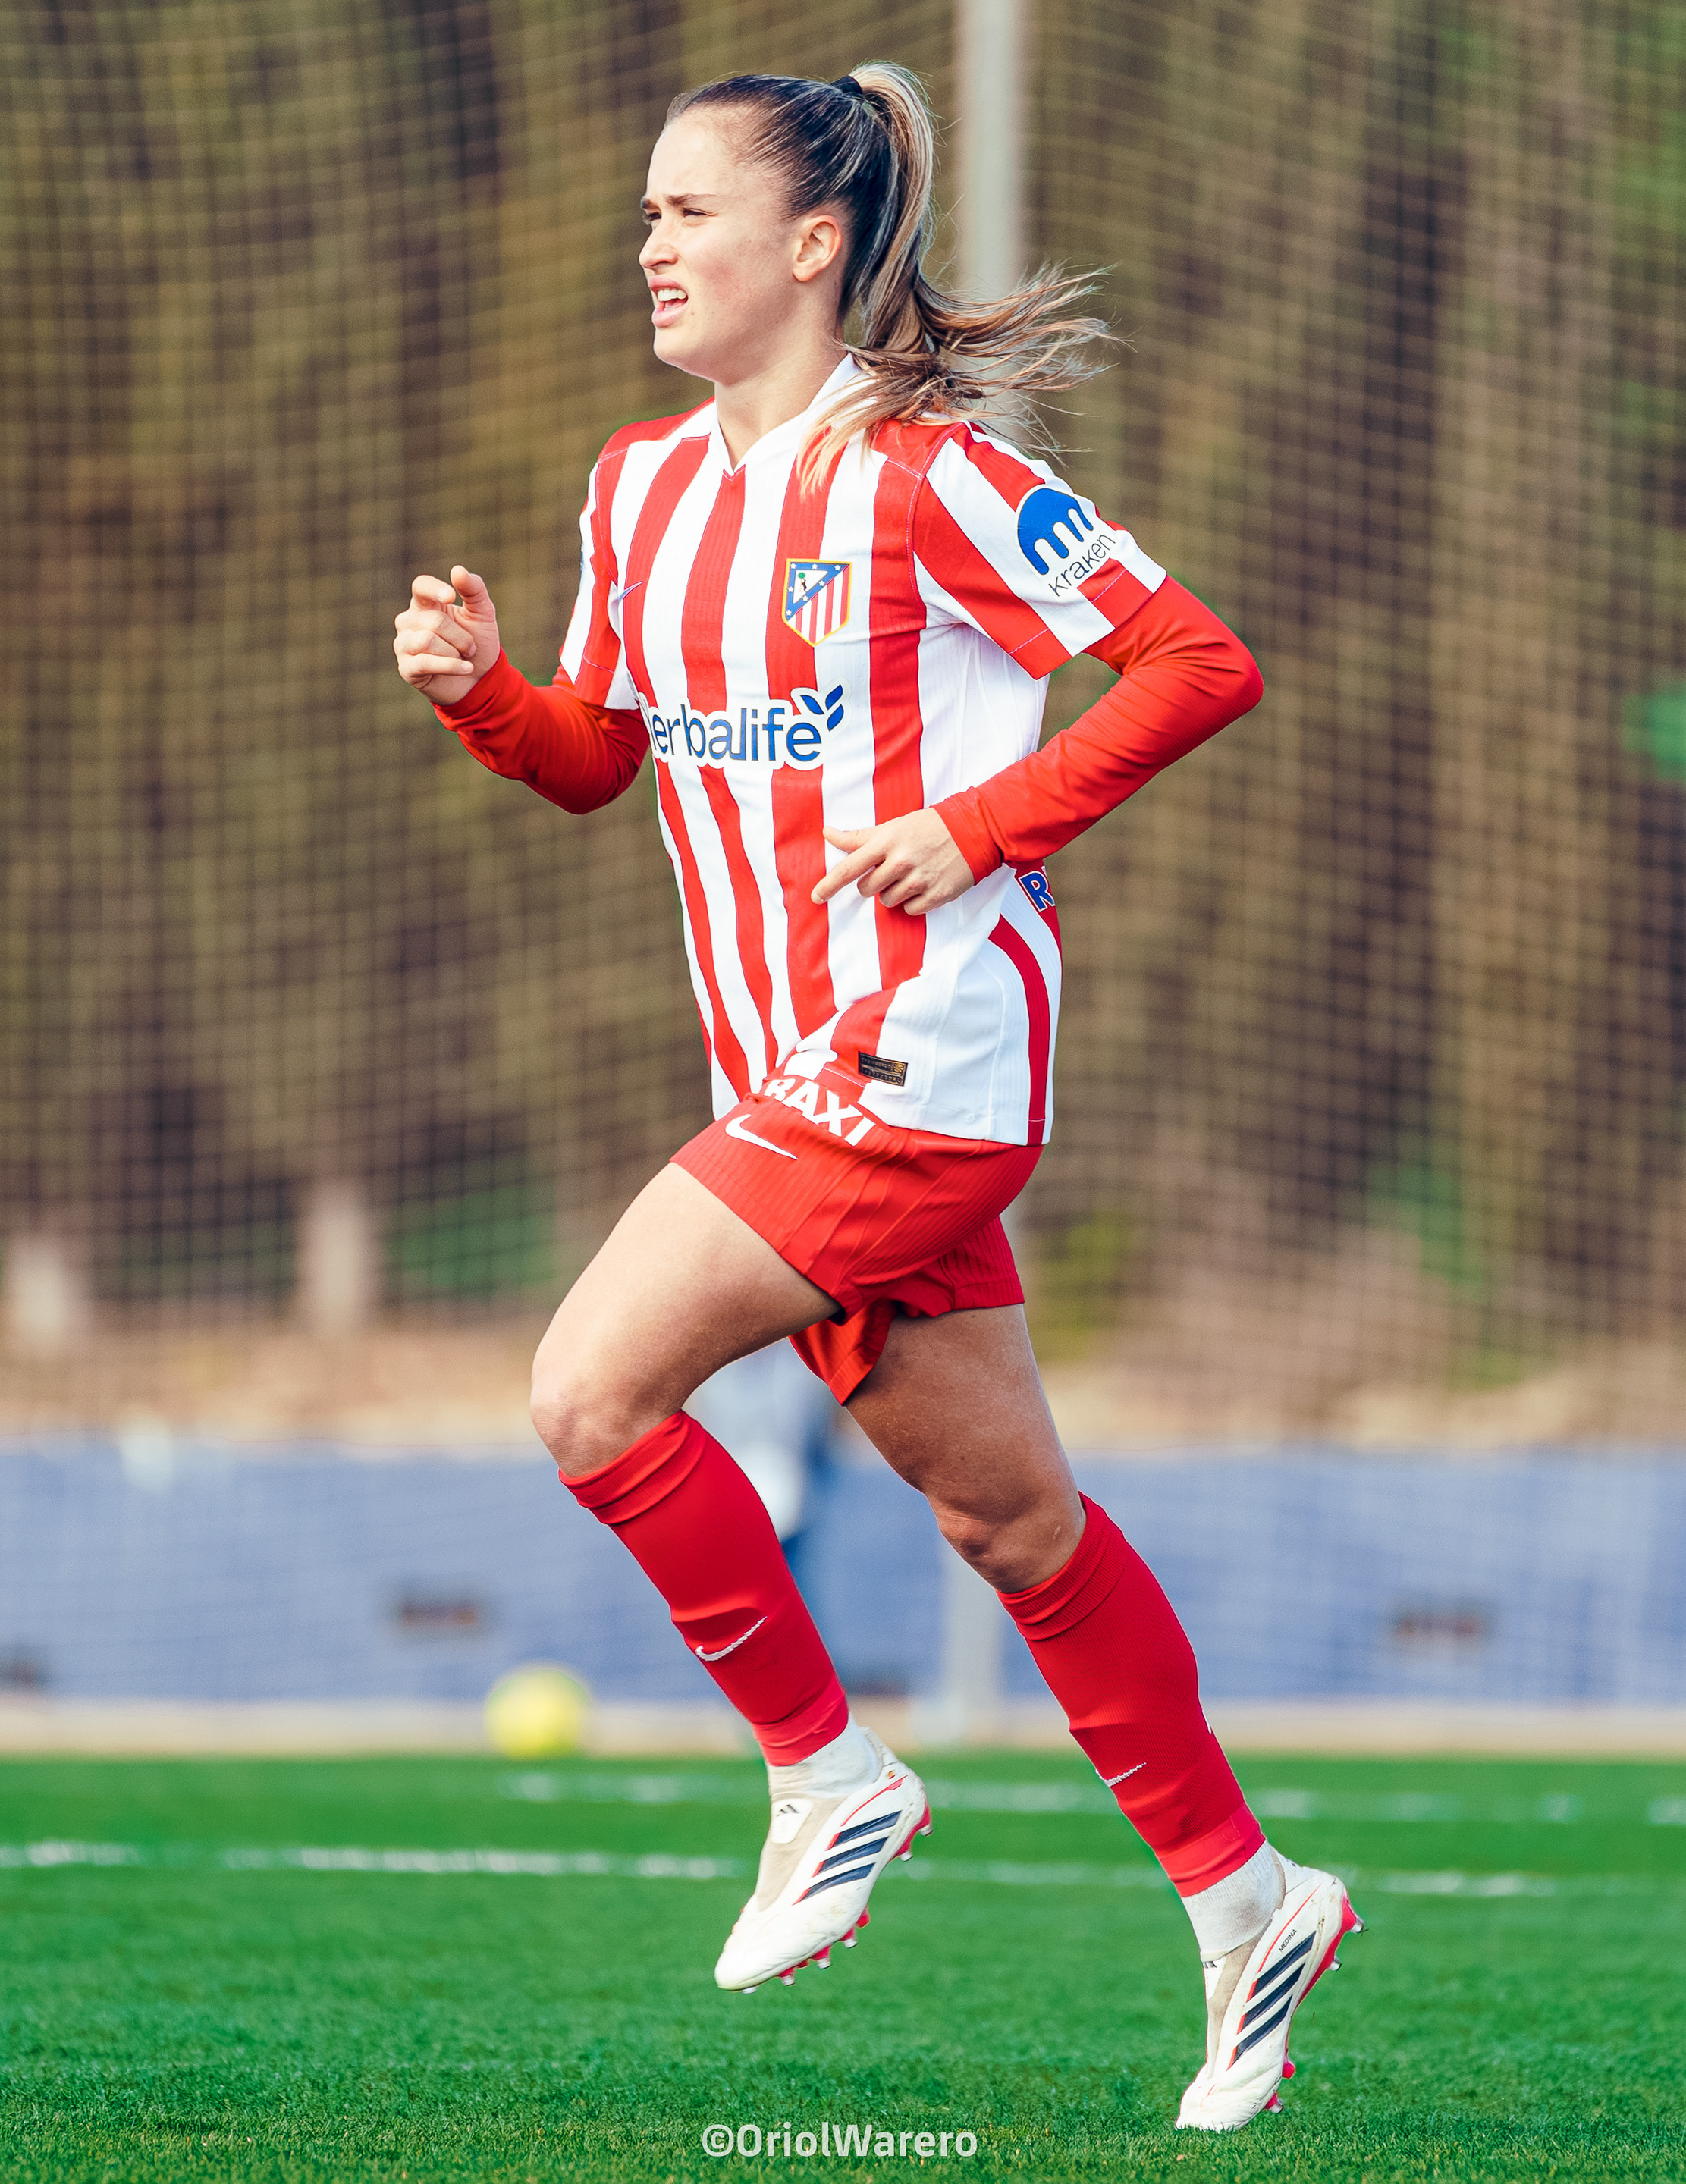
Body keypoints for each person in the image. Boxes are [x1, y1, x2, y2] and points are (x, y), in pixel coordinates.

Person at [391, 63, 1356, 2133]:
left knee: (588, 1393)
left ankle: (830, 1776)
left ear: (813, 243)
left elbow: (1199, 663)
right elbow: (601, 757)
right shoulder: (639, 488)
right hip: (786, 1077)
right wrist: (488, 699)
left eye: (690, 212)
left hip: (925, 1056)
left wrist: (980, 825)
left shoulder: (935, 479)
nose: (651, 245)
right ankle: (1251, 1900)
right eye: (648, 213)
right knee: (1013, 1522)